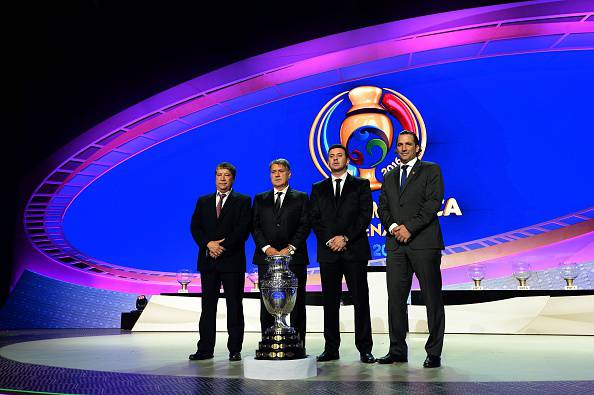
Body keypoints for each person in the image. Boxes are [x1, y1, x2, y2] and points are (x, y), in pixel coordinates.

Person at [377, 130, 445, 368]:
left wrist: (410, 228)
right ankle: (397, 350)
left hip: (424, 243)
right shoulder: (389, 176)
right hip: (396, 246)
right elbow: (383, 208)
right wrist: (395, 226)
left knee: (431, 297)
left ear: (418, 148)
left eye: (408, 144)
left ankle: (434, 352)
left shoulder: (431, 170)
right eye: (400, 144)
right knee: (395, 299)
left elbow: (433, 203)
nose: (404, 148)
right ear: (396, 149)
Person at [309, 144, 375, 363]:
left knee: (360, 300)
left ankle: (365, 348)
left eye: (339, 156)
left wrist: (345, 237)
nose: (335, 159)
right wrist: (330, 240)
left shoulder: (361, 185)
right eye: (331, 156)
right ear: (328, 161)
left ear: (347, 160)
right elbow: (315, 219)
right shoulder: (318, 188)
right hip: (328, 253)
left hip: (354, 250)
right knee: (330, 301)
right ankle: (331, 348)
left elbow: (364, 216)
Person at [189, 162, 251, 362]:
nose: (222, 179)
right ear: (215, 177)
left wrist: (221, 247)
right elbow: (195, 227)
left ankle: (235, 349)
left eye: (226, 175)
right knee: (208, 307)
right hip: (208, 261)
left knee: (234, 306)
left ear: (233, 178)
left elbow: (243, 230)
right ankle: (205, 349)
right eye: (219, 175)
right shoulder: (203, 201)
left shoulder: (243, 200)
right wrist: (209, 244)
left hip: (232, 261)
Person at [252, 158, 310, 345]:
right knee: (267, 303)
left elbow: (304, 225)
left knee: (297, 303)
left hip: (294, 259)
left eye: (281, 171)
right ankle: (268, 342)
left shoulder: (301, 197)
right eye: (273, 172)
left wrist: (290, 248)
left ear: (289, 174)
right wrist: (266, 248)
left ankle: (298, 344)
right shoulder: (260, 199)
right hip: (266, 259)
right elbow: (255, 227)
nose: (277, 175)